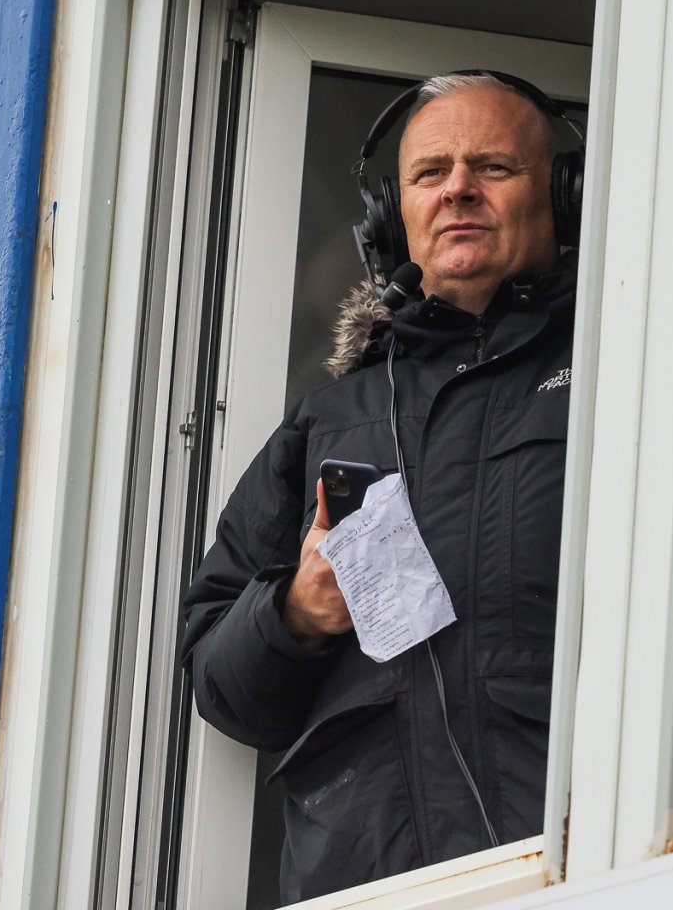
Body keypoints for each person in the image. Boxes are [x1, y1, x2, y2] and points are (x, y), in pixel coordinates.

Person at [181, 72, 577, 903]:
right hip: (370, 884)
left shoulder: (624, 366)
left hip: (586, 860)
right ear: (394, 217)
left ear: (562, 197)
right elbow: (221, 684)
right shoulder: (330, 421)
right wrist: (298, 612)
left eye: (492, 167)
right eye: (430, 173)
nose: (457, 189)